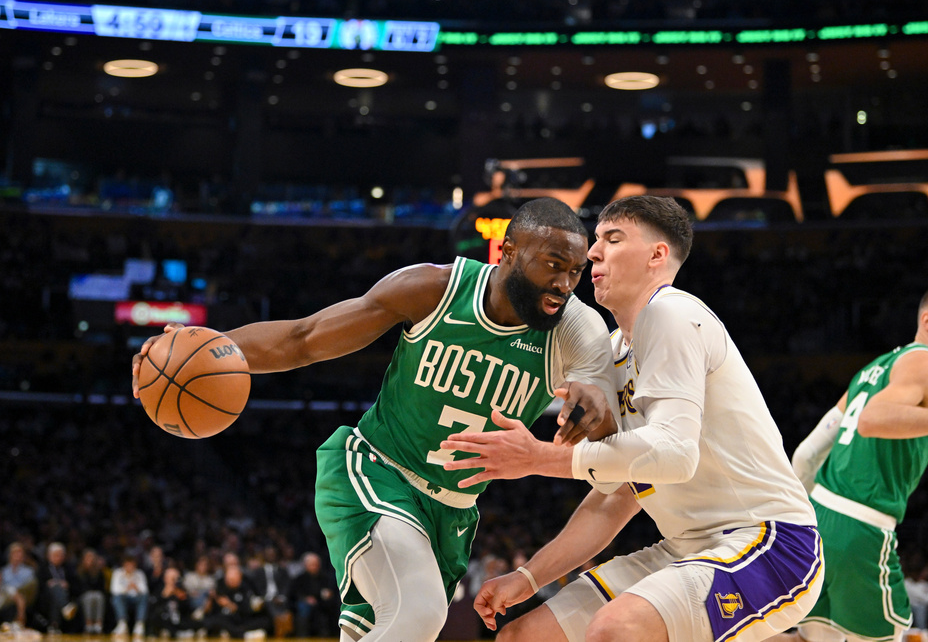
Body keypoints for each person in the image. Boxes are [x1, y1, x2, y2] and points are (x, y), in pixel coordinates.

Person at [130, 197, 619, 642]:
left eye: (575, 272)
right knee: (421, 611)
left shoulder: (576, 326)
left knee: (388, 629)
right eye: (553, 266)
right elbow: (304, 338)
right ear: (508, 252)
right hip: (376, 472)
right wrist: (208, 346)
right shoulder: (433, 289)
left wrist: (594, 404)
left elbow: (601, 400)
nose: (564, 284)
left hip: (451, 513)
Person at [442, 195, 823, 642]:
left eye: (613, 238)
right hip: (686, 550)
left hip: (769, 544)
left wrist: (538, 458)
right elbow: (614, 498)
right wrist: (528, 577)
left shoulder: (673, 313)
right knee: (521, 637)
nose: (593, 252)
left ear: (657, 256)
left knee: (617, 629)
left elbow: (676, 454)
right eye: (596, 239)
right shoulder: (613, 351)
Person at [783, 283, 928, 642]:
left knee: (814, 639)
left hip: (819, 518)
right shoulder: (927, 362)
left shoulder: (873, 369)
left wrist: (802, 520)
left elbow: (807, 454)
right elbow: (873, 420)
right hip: (861, 525)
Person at [288, 553, 335, 638]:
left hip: (321, 605)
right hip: (305, 606)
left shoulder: (325, 577)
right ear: (306, 565)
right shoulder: (299, 579)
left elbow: (330, 591)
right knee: (303, 609)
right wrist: (305, 599)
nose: (315, 567)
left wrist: (328, 594)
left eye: (316, 564)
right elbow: (294, 594)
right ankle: (303, 637)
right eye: (312, 565)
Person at [110, 555, 148, 637]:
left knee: (144, 597)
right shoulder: (118, 573)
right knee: (116, 598)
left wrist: (136, 588)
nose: (130, 567)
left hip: (136, 598)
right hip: (123, 598)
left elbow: (145, 591)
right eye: (128, 565)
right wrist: (127, 588)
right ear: (124, 565)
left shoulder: (140, 574)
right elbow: (114, 590)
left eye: (132, 565)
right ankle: (122, 623)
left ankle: (139, 624)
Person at [1, 543, 37, 630]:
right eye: (15, 552)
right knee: (13, 595)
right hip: (6, 595)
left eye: (20, 552)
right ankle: (19, 621)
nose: (17, 555)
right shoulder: (4, 571)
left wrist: (15, 591)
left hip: (23, 595)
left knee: (19, 596)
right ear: (10, 555)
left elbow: (30, 588)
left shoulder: (29, 571)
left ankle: (18, 621)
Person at [76, 548, 109, 634]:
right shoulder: (79, 571)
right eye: (88, 558)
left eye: (91, 558)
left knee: (99, 596)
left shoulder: (99, 572)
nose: (90, 560)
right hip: (83, 596)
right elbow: (79, 588)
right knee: (90, 596)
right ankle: (89, 623)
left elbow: (102, 588)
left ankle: (98, 623)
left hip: (96, 595)